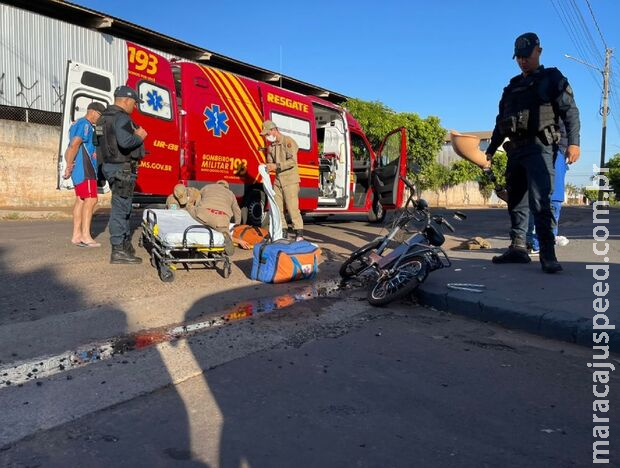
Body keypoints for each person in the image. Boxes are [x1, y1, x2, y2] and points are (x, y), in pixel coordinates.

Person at [485, 32, 580, 273]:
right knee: (516, 201)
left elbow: (570, 112)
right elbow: (500, 122)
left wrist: (574, 143)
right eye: (518, 57)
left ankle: (548, 254)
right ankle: (518, 248)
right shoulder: (512, 86)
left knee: (541, 202)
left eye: (526, 56)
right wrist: (492, 148)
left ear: (539, 51)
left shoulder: (552, 78)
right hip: (515, 151)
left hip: (539, 149)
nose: (522, 61)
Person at [96, 85, 148, 264]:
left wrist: (100, 172)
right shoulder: (122, 117)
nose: (134, 107)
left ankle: (125, 245)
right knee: (120, 210)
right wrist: (140, 136)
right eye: (134, 103)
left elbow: (99, 148)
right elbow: (126, 142)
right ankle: (118, 250)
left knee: (123, 207)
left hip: (110, 167)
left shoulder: (103, 118)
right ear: (126, 100)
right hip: (122, 169)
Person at [63, 101, 106, 247]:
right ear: (93, 111)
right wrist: (69, 165)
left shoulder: (76, 124)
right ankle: (86, 236)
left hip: (79, 169)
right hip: (86, 168)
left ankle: (76, 235)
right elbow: (75, 144)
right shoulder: (85, 124)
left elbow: (69, 147)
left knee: (81, 200)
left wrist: (68, 165)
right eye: (99, 115)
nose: (99, 119)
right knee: (91, 200)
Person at [526, 122, 570, 255]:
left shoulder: (559, 104)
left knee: (554, 199)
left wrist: (573, 145)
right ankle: (535, 242)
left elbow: (570, 120)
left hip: (556, 150)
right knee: (535, 198)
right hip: (532, 150)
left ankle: (545, 241)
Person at [260, 120, 304, 241]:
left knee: (292, 208)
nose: (266, 137)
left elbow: (292, 162)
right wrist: (267, 167)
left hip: (290, 179)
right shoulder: (271, 147)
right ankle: (283, 231)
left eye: (267, 134)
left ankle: (299, 233)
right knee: (277, 208)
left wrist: (276, 166)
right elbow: (270, 161)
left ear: (274, 130)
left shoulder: (288, 141)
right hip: (278, 180)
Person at [188, 180, 241, 255]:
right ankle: (225, 234)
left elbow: (198, 201)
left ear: (217, 184)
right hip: (221, 219)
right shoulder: (231, 193)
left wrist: (194, 208)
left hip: (203, 215)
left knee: (189, 208)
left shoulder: (207, 187)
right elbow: (237, 211)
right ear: (227, 187)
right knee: (223, 228)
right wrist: (237, 225)